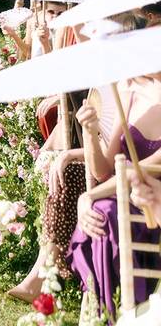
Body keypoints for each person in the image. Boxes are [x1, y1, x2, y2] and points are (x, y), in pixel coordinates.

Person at [67, 75, 161, 318]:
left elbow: (139, 170)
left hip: (152, 207)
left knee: (105, 212)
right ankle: (110, 312)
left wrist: (88, 196)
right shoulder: (128, 91)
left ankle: (110, 314)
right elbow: (104, 170)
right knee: (105, 211)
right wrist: (90, 132)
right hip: (118, 196)